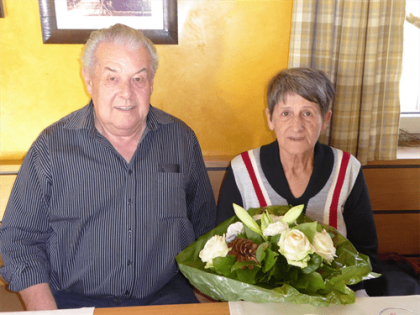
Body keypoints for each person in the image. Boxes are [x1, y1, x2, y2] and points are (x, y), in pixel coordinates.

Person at [0, 24, 216, 310]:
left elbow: (206, 229)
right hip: (74, 301)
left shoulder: (181, 140)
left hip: (166, 298)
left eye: (138, 79)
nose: (126, 93)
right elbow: (20, 241)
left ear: (151, 82)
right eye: (112, 78)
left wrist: (203, 301)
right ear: (89, 80)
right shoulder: (51, 147)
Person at [216, 67, 378, 295]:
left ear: (325, 120)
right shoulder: (243, 169)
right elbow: (226, 246)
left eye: (308, 113)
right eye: (286, 113)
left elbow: (365, 250)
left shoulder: (347, 168)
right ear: (270, 118)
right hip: (262, 297)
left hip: (332, 297)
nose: (297, 126)